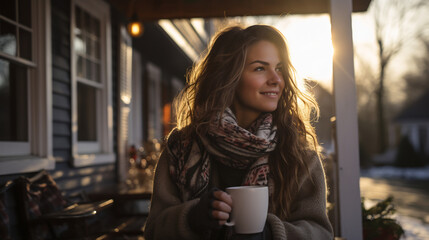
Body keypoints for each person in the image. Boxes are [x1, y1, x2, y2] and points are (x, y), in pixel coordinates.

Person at [144, 24, 334, 240]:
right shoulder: (180, 148)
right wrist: (190, 218)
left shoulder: (299, 153)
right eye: (260, 68)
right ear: (229, 77)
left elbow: (321, 234)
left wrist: (270, 234)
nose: (276, 79)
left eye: (279, 68)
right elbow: (153, 232)